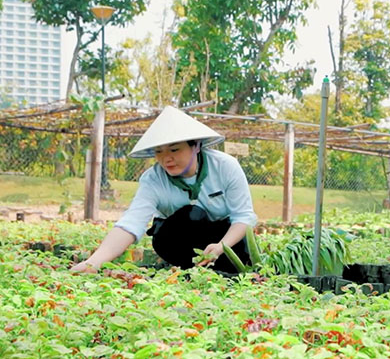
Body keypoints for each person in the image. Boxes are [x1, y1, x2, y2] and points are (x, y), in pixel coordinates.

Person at [72, 106, 258, 276]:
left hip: (225, 238)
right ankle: (187, 271)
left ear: (196, 146)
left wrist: (221, 247)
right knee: (188, 216)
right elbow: (132, 222)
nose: (166, 159)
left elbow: (243, 217)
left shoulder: (226, 167)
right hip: (182, 236)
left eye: (175, 150)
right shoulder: (153, 179)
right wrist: (93, 263)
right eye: (159, 152)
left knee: (235, 263)